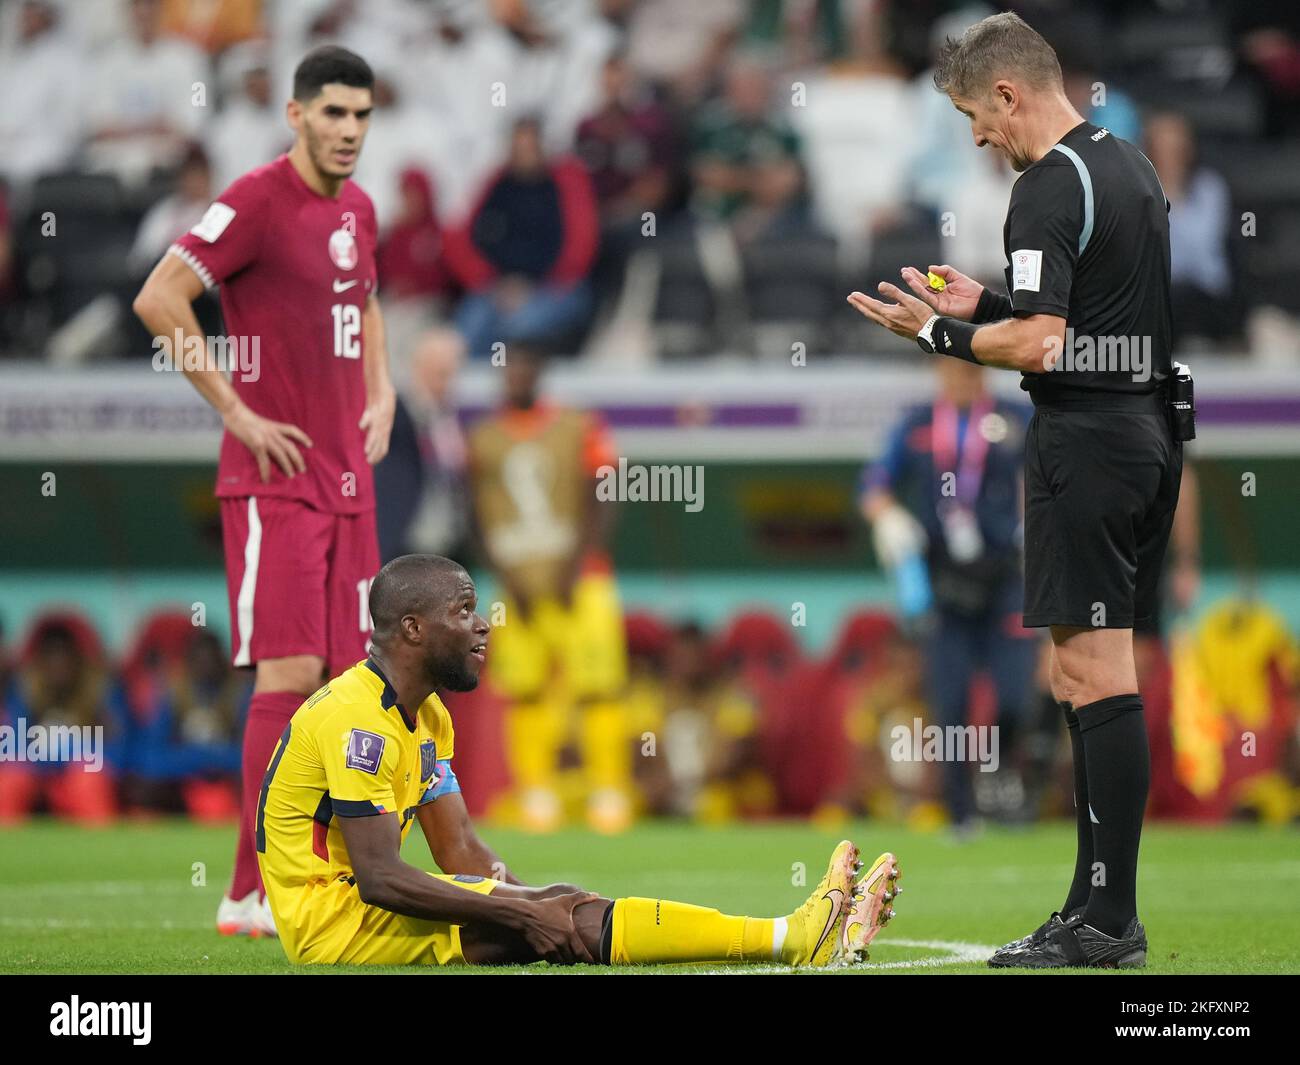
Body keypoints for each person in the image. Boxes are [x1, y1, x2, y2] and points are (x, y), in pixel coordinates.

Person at [848, 12, 1184, 968]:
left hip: (1088, 442)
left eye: (973, 116)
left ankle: (1109, 920)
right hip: (1147, 431)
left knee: (1097, 674)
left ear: (1007, 94)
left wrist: (933, 335)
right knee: (1088, 675)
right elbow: (1084, 323)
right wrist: (983, 306)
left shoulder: (1042, 186)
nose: (976, 137)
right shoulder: (1126, 162)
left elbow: (1043, 347)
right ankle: (1093, 906)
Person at [255, 553, 902, 967]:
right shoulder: (354, 718)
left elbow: (461, 853)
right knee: (546, 914)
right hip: (332, 925)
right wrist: (519, 910)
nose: (483, 625)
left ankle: (792, 935)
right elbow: (379, 877)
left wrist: (532, 900)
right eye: (463, 610)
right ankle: (791, 937)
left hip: (365, 909)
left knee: (558, 905)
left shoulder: (427, 715)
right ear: (414, 629)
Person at [133, 45, 395, 937]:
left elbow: (365, 304)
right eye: (333, 113)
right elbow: (159, 298)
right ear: (296, 115)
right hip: (274, 480)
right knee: (286, 674)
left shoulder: (359, 208)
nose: (350, 131)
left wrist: (385, 391)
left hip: (347, 479)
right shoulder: (252, 199)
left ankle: (302, 875)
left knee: (347, 682)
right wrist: (238, 415)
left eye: (361, 115)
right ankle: (248, 889)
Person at [862, 359, 1038, 836]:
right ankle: (961, 812)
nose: (962, 378)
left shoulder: (1016, 419)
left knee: (1015, 696)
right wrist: (887, 517)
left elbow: (1055, 475)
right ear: (939, 369)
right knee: (950, 699)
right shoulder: (918, 425)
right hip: (944, 580)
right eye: (953, 368)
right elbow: (874, 486)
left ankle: (1001, 782)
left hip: (1006, 577)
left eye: (971, 369)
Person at [466, 344, 629, 833]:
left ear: (539, 372)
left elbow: (605, 492)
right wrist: (502, 573)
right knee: (526, 690)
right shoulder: (482, 437)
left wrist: (578, 563)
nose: (515, 374)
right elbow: (473, 511)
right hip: (516, 585)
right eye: (507, 366)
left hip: (583, 581)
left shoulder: (579, 425)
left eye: (524, 365)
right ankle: (536, 793)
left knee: (598, 688)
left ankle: (608, 791)